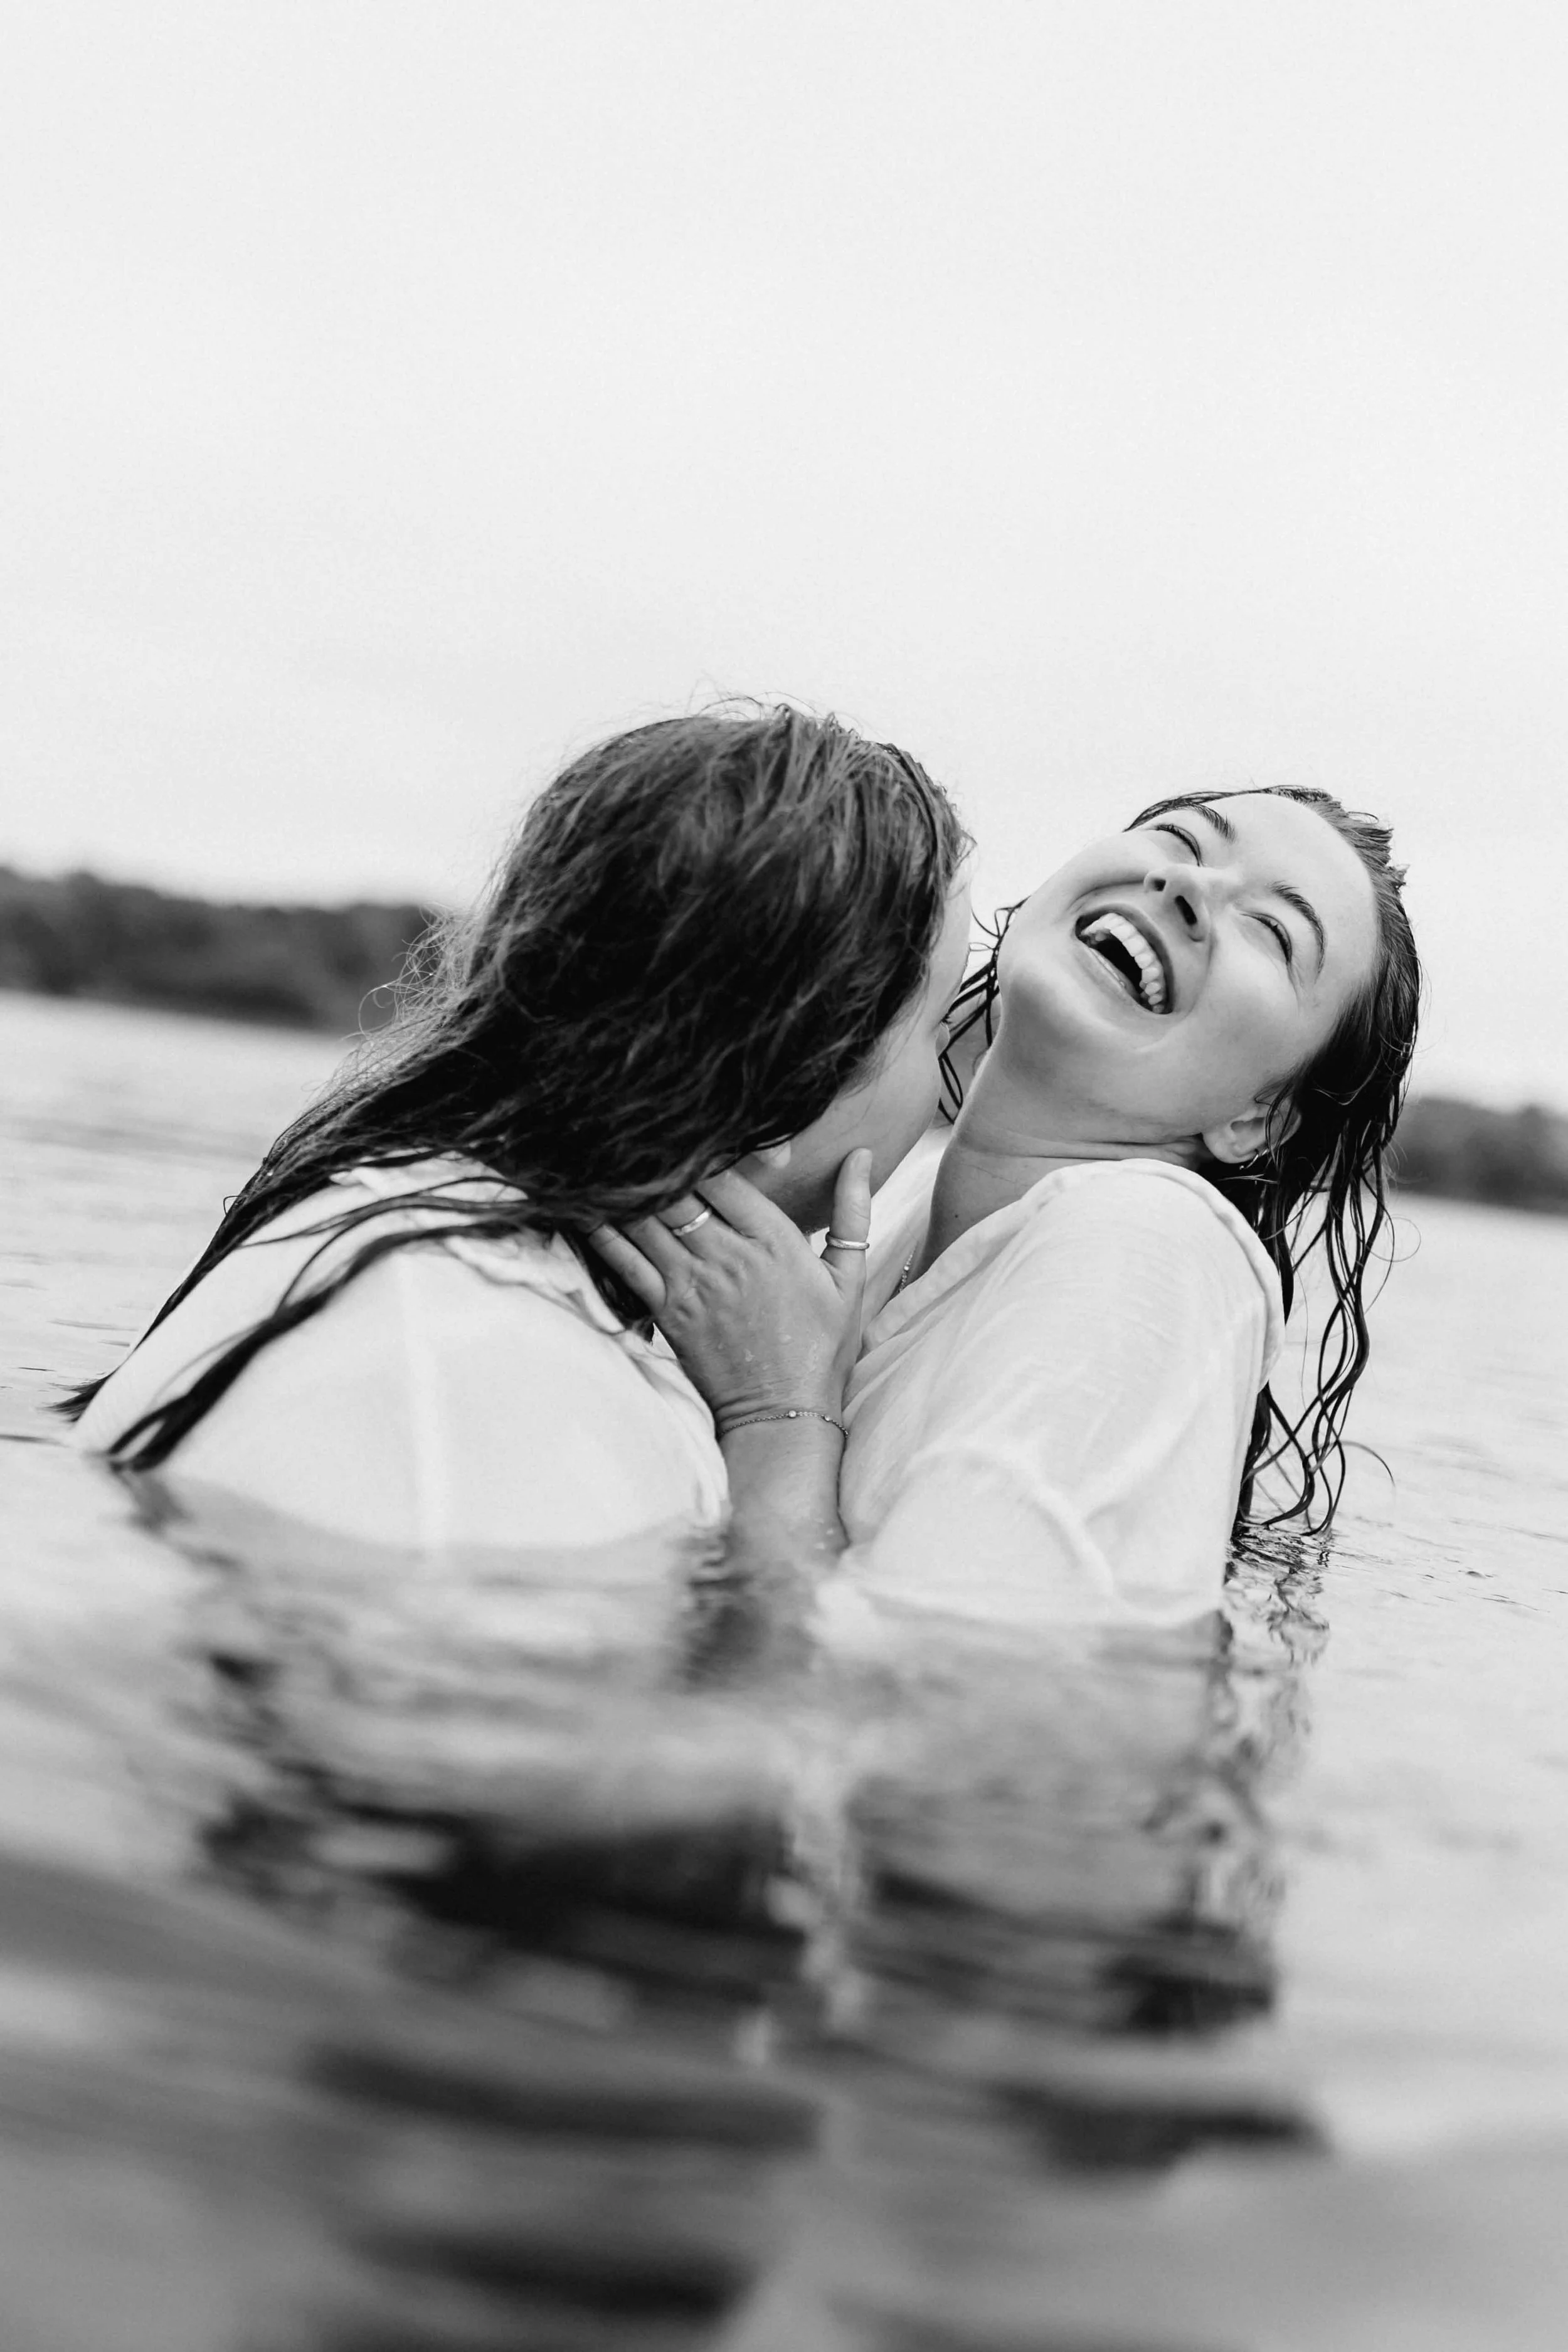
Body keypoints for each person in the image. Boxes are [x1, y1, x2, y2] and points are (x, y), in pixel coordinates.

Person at [66, 707, 972, 1554]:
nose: (942, 1083)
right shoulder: (497, 1372)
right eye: (938, 1025)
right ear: (796, 1086)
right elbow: (740, 1724)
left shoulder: (395, 1214)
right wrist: (783, 1427)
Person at [595, 785, 1421, 1626]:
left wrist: (779, 1415)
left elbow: (935, 1701)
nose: (1188, 888)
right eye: (1180, 839)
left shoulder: (1149, 1242)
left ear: (1259, 1117)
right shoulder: (909, 1202)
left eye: (1274, 931)